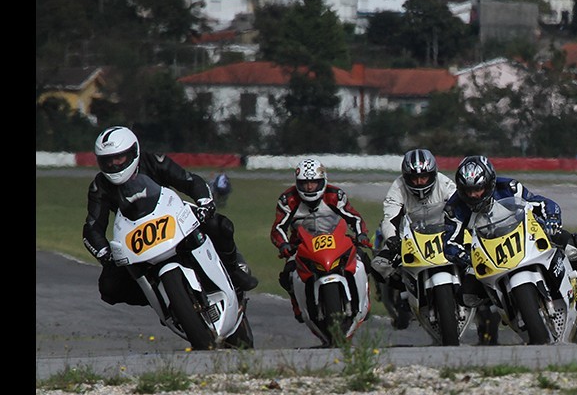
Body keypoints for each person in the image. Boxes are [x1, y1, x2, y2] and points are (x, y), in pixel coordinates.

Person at [83, 126, 259, 307]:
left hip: (174, 217)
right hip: (135, 237)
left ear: (133, 152)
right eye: (107, 161)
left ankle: (233, 270)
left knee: (221, 226)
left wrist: (205, 202)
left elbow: (189, 180)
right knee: (109, 288)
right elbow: (92, 226)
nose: (114, 165)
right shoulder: (99, 186)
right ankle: (163, 301)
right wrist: (105, 254)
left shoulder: (153, 161)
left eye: (118, 158)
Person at [444, 155, 577, 343]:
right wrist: (461, 254)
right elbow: (449, 241)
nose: (474, 195)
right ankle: (490, 324)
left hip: (522, 237)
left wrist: (551, 219)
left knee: (572, 243)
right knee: (467, 295)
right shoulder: (454, 207)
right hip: (485, 253)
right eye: (469, 191)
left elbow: (540, 202)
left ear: (489, 183)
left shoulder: (509, 188)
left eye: (479, 189)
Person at [269, 157, 375, 322]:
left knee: (364, 260)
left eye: (314, 183)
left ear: (323, 181)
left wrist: (361, 235)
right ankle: (298, 307)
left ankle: (365, 299)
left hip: (337, 240)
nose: (309, 187)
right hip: (302, 245)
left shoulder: (335, 195)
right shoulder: (288, 200)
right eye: (304, 183)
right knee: (288, 273)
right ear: (297, 183)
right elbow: (278, 227)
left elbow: (354, 218)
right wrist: (283, 245)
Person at [371, 148, 457, 322]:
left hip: (443, 234)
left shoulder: (445, 184)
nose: (419, 182)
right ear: (405, 177)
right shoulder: (398, 187)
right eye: (414, 178)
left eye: (423, 177)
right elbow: (390, 217)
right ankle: (405, 291)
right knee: (378, 266)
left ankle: (480, 301)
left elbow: (460, 207)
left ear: (433, 174)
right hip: (410, 237)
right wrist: (392, 239)